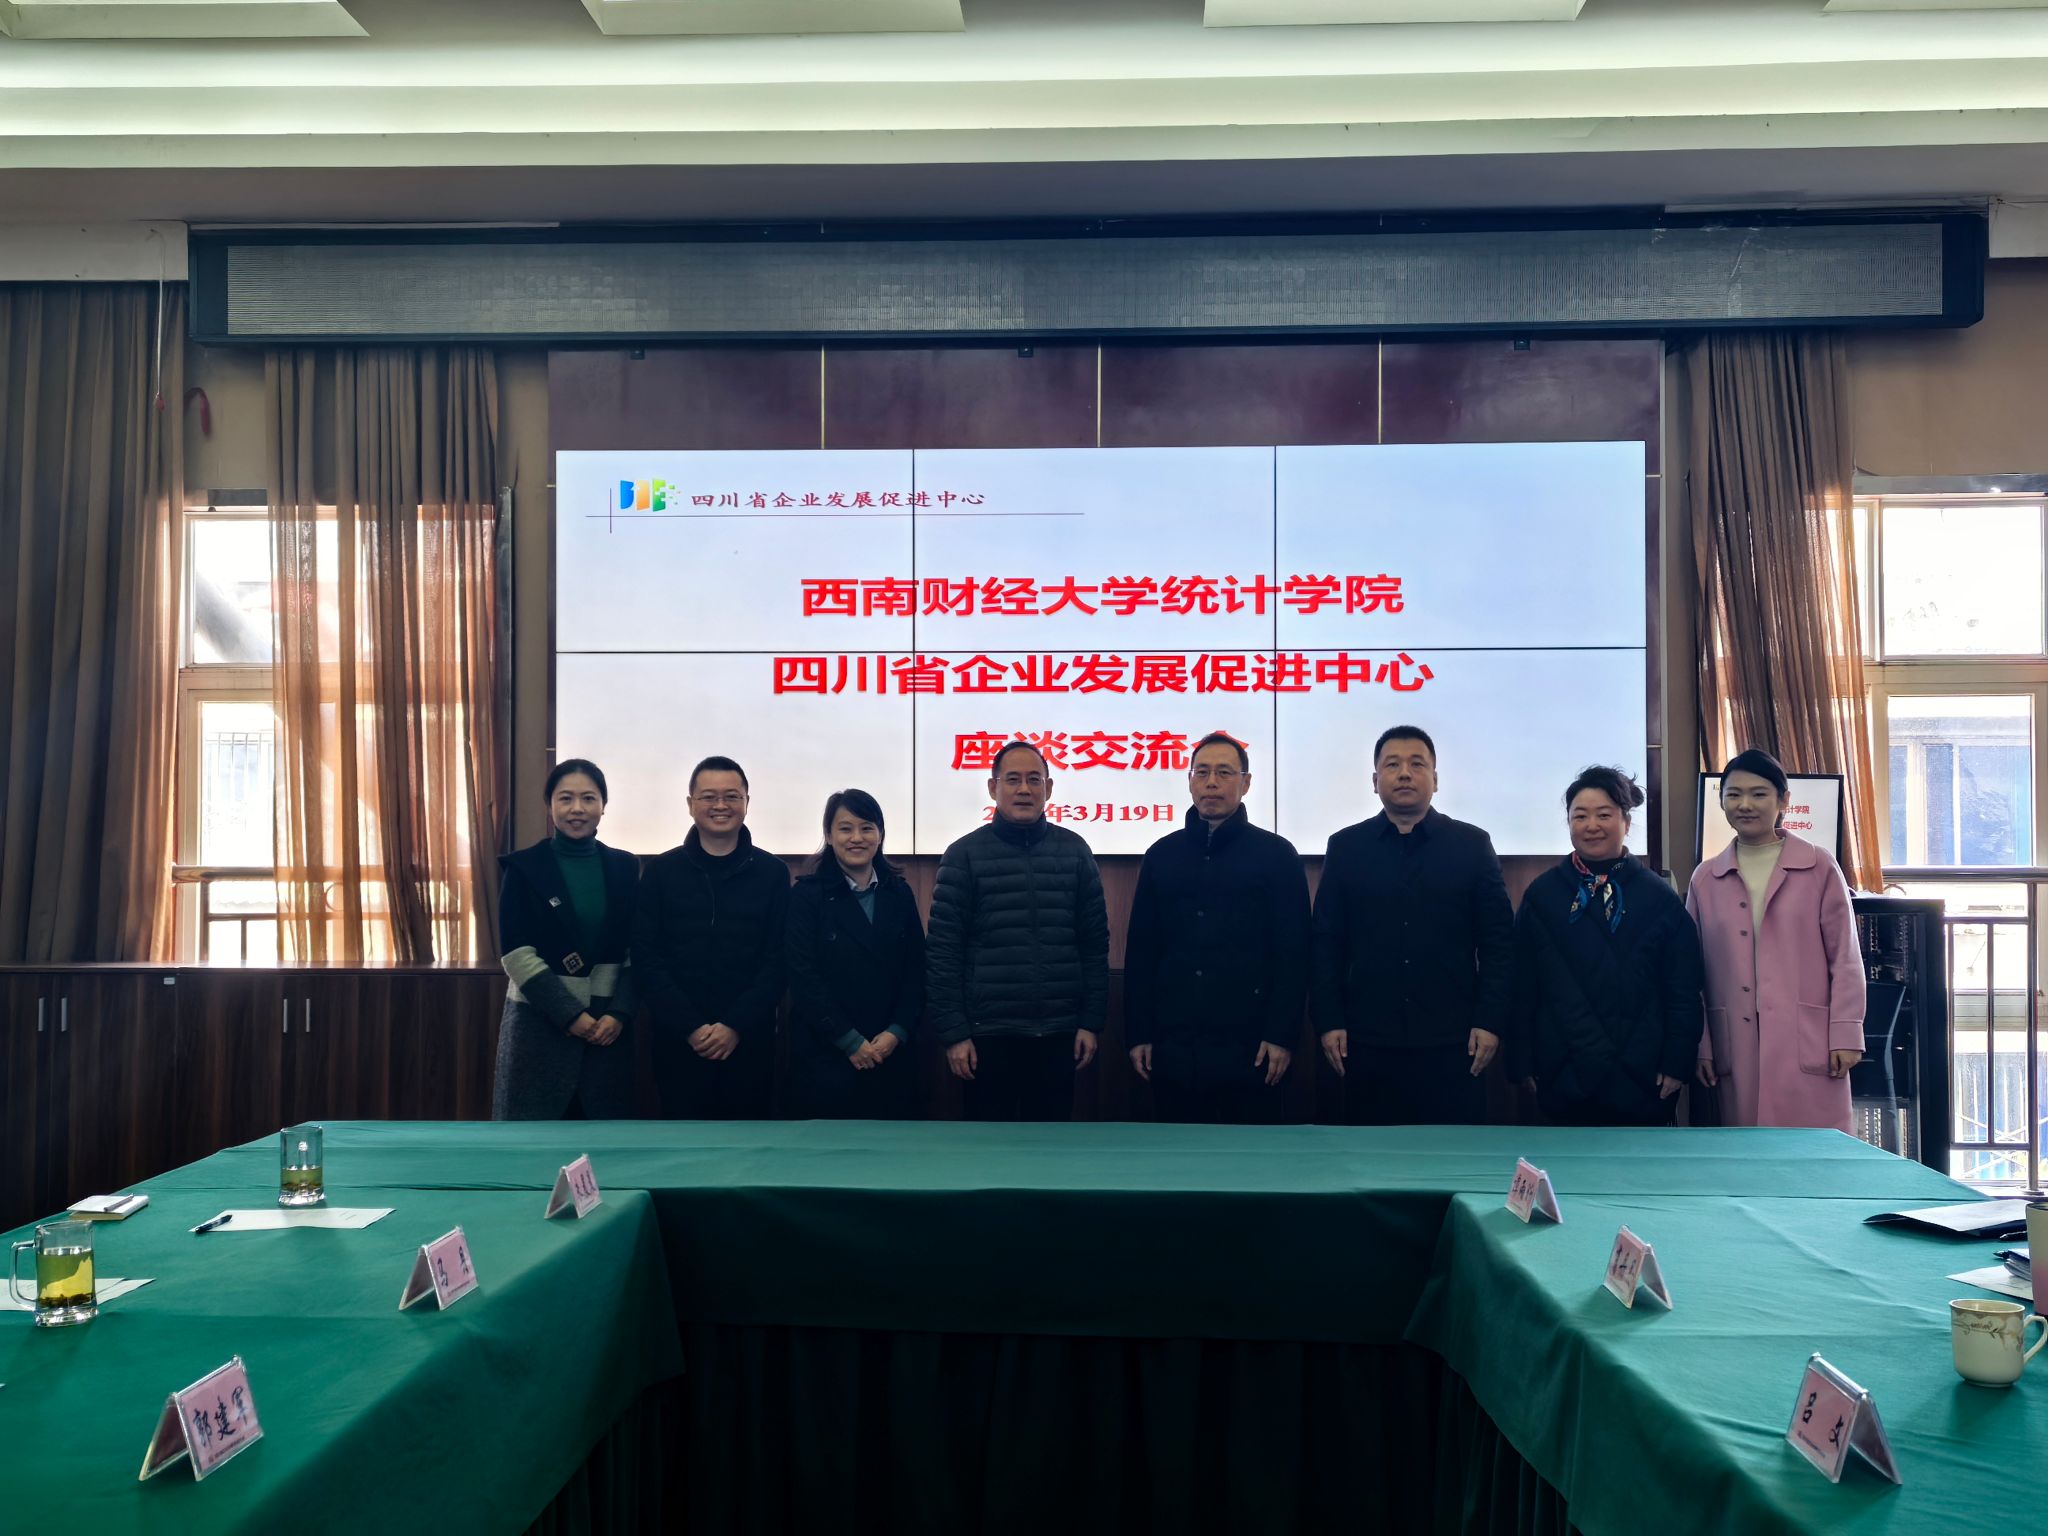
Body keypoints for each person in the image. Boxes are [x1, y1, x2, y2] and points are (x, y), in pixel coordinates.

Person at [1311, 725, 1513, 1125]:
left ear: (1435, 780)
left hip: (1456, 1041)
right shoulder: (1347, 847)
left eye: (1417, 764)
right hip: (1365, 1040)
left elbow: (1498, 943)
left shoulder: (1472, 845)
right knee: (1371, 1155)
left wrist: (1489, 1021)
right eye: (1393, 765)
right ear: (1375, 781)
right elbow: (1326, 942)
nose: (1404, 773)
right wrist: (1329, 1019)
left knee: (1453, 1153)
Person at [1125, 731, 1310, 1124]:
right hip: (1173, 1047)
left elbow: (1293, 955)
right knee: (1177, 1154)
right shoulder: (1161, 855)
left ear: (1246, 783)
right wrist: (1138, 1034)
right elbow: (1142, 951)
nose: (1211, 782)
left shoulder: (1277, 856)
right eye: (1202, 772)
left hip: (1252, 1047)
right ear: (1190, 780)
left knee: (1250, 1156)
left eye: (1224, 772)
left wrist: (1281, 1035)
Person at [1507, 766, 1703, 1127]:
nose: (1591, 825)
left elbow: (1683, 990)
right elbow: (1521, 986)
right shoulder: (1542, 895)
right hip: (1561, 1071)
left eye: (1604, 815)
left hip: (1643, 1076)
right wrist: (1522, 1062)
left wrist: (1677, 1063)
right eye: (1580, 816)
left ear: (1626, 821)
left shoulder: (1660, 898)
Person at [927, 740, 1109, 1121]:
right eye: (1013, 780)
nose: (1024, 789)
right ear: (993, 788)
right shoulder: (963, 856)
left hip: (1058, 1034)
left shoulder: (1075, 852)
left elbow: (1094, 946)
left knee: (1051, 1146)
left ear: (1049, 788)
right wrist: (954, 1033)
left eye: (1033, 780)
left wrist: (1090, 1023)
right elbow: (944, 953)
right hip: (986, 1036)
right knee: (989, 1148)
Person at [1688, 748, 1865, 1132]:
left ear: (1784, 800)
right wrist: (1702, 1043)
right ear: (1722, 802)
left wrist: (1847, 1031)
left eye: (1759, 794)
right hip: (1735, 1041)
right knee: (1747, 1152)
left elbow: (1845, 958)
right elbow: (1691, 973)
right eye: (1734, 795)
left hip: (1808, 1038)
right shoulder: (1705, 878)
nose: (1745, 805)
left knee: (1816, 1150)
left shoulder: (1818, 866)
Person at [633, 755, 791, 1120]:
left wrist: (734, 1025)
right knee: (682, 1143)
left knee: (748, 1145)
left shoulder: (772, 873)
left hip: (749, 1040)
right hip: (677, 1041)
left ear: (747, 802)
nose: (720, 805)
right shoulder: (660, 873)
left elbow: (779, 959)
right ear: (691, 804)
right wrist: (690, 1027)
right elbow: (646, 957)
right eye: (709, 797)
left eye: (731, 796)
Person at [492, 759, 640, 1120]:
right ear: (550, 805)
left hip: (607, 1030)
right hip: (538, 1027)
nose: (577, 808)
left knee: (604, 1142)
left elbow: (638, 950)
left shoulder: (625, 867)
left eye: (588, 798)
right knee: (532, 1141)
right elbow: (516, 953)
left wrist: (619, 1013)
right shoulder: (523, 868)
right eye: (566, 798)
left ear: (603, 805)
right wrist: (569, 1014)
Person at [785, 788, 925, 1120]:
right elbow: (803, 976)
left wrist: (897, 1032)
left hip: (891, 1053)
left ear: (880, 834)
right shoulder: (807, 896)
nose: (857, 838)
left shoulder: (899, 893)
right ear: (829, 836)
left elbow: (916, 970)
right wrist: (849, 1041)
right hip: (828, 1055)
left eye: (867, 828)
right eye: (845, 828)